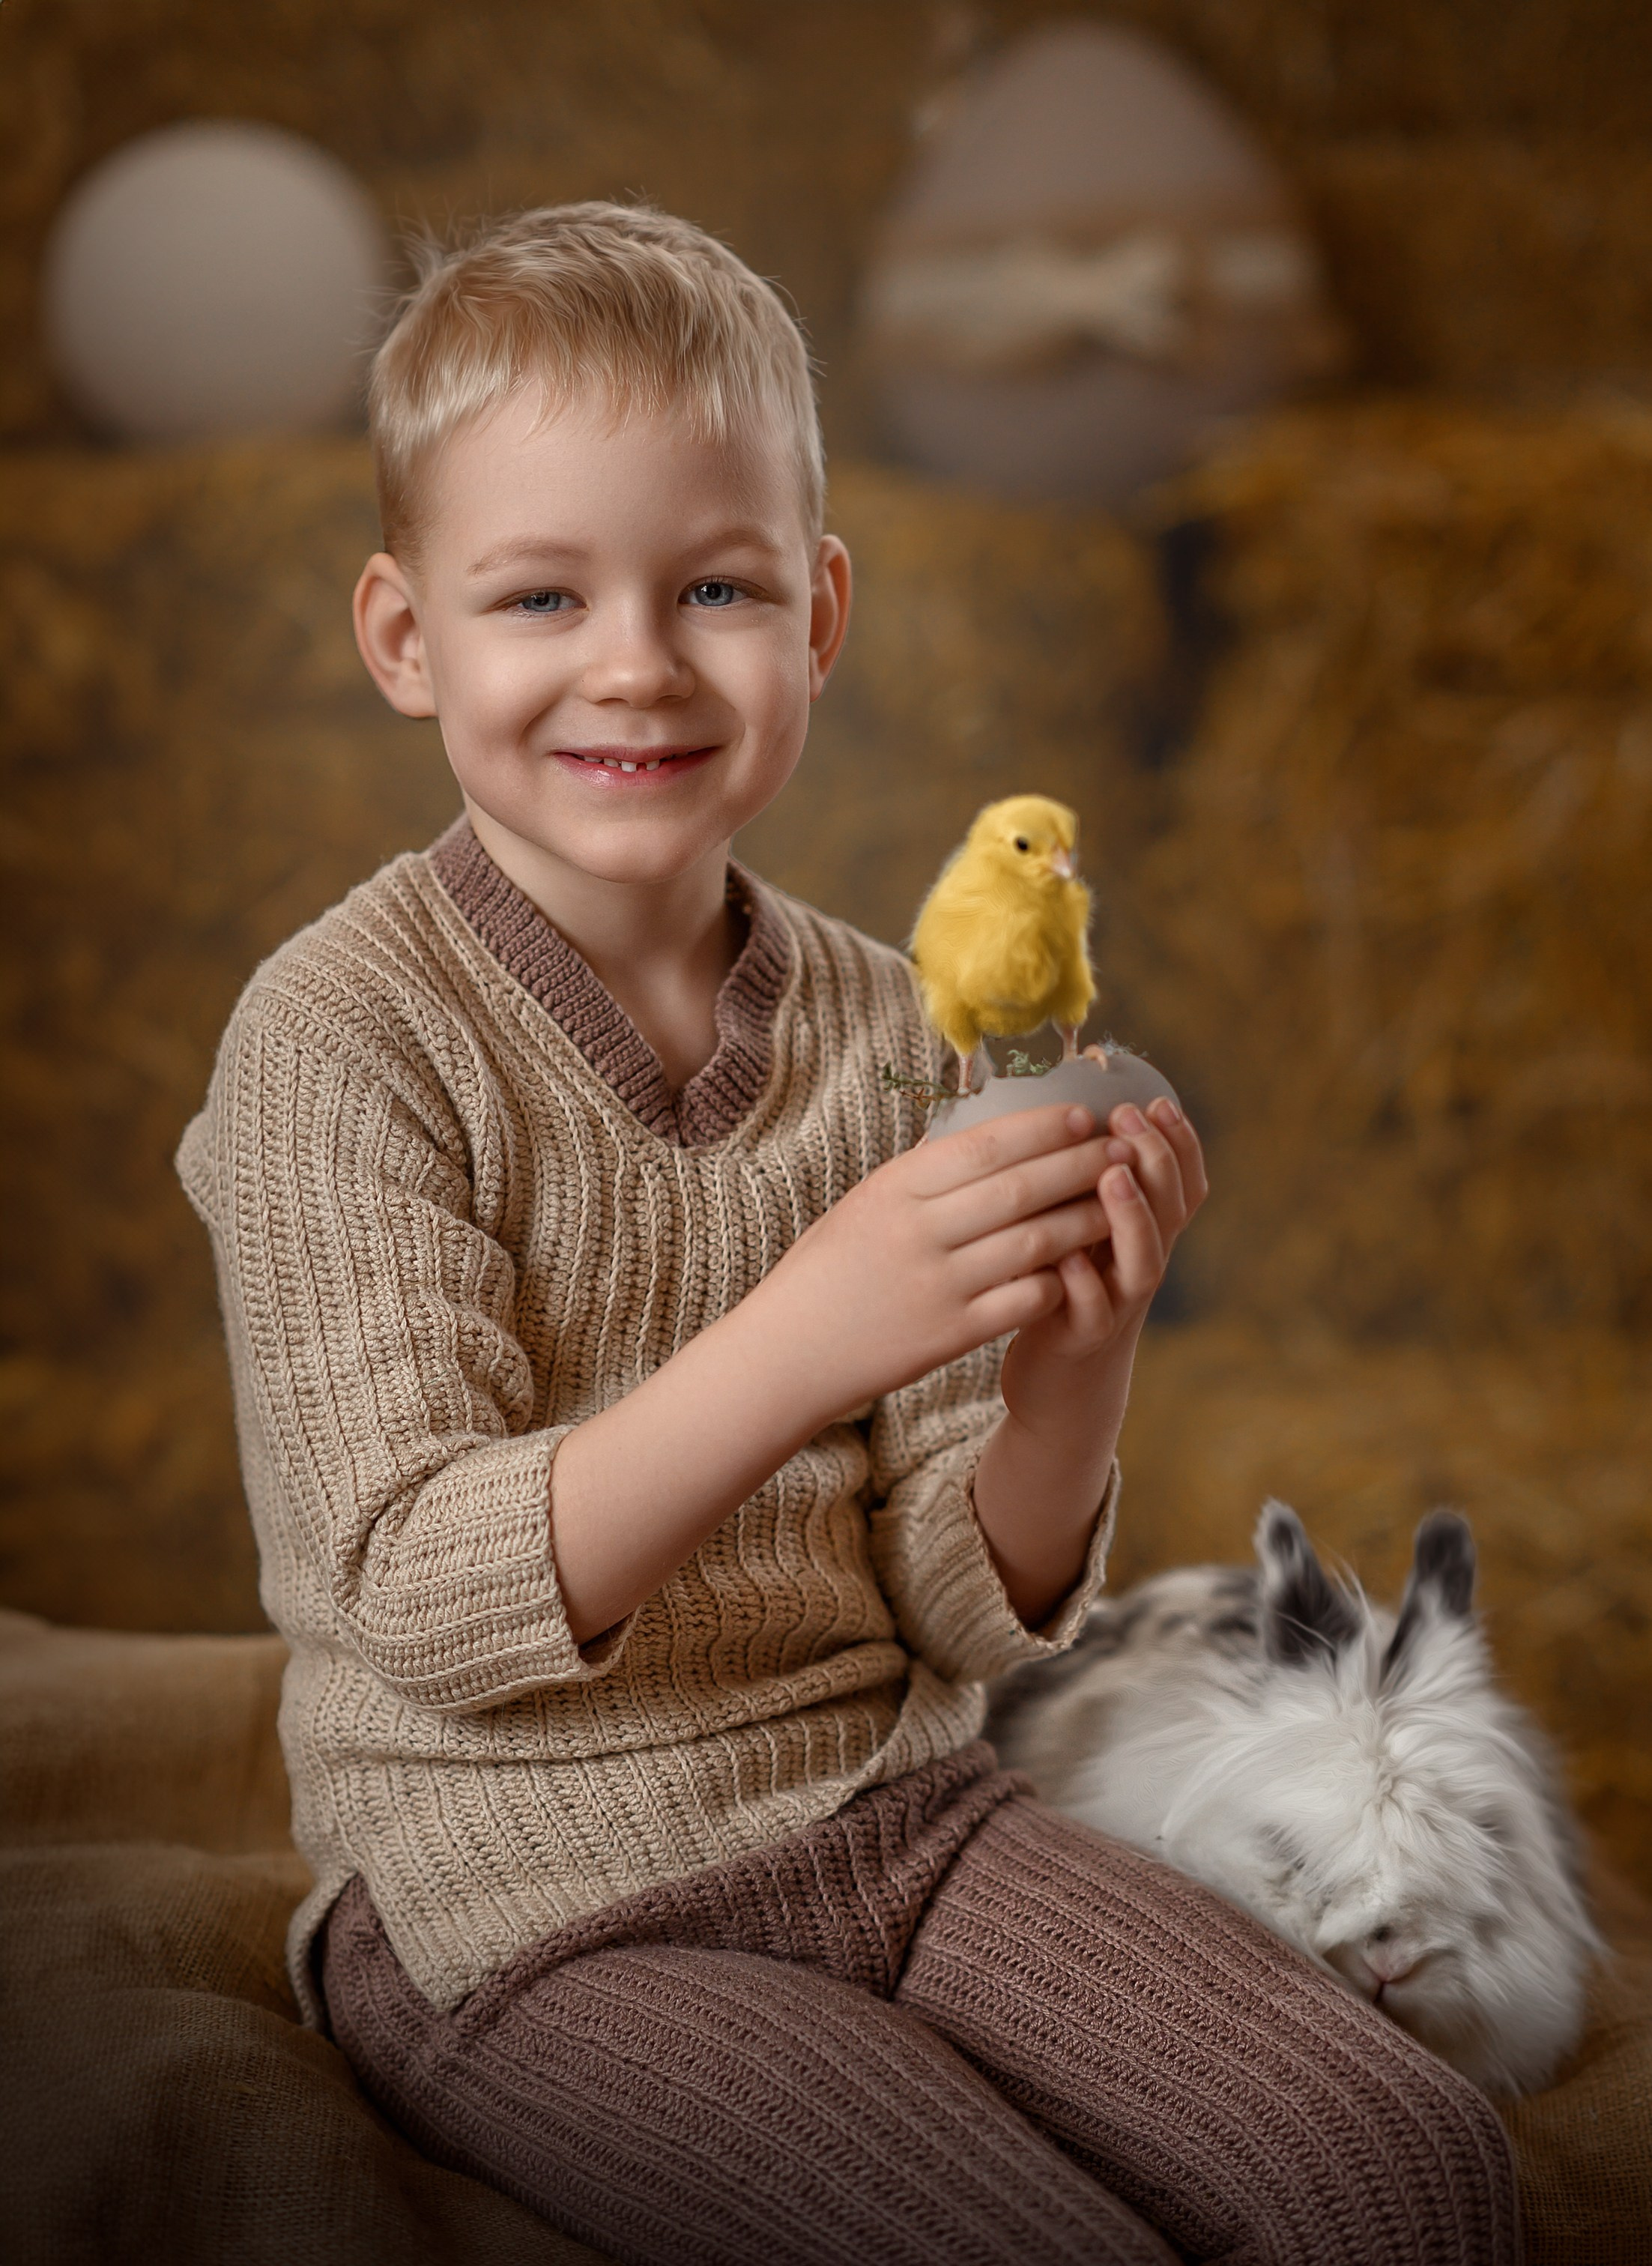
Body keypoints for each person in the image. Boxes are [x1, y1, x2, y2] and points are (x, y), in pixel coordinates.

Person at [178, 203, 1517, 2265]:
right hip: (526, 1906)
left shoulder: (897, 1022)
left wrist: (1074, 1360)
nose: (633, 657)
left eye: (712, 585)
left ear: (818, 617)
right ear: (404, 638)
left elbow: (954, 1602)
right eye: (540, 594)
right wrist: (816, 1327)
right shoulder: (338, 1046)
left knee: (1406, 2175)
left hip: (894, 1812)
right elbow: (413, 1594)